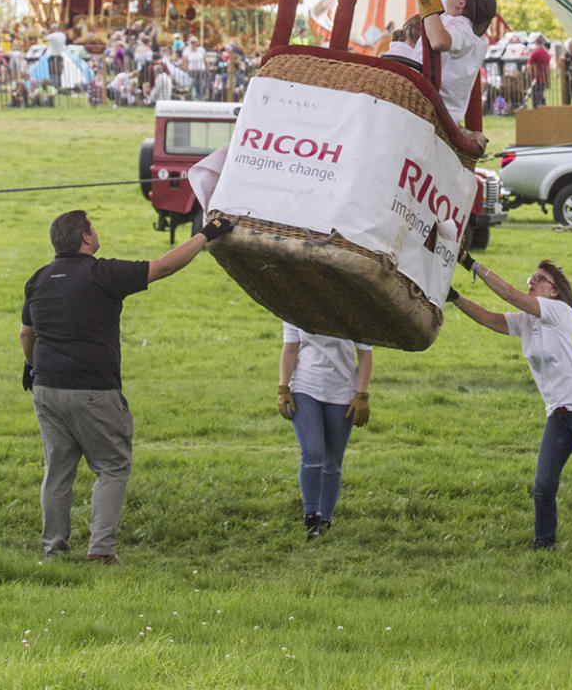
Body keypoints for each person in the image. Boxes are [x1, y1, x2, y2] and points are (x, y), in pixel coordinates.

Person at [20, 208, 233, 563]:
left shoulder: (39, 279)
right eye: (93, 227)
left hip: (46, 387)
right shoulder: (103, 273)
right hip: (94, 389)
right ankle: (101, 550)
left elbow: (28, 333)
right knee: (112, 467)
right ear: (86, 237)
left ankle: (53, 549)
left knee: (57, 471)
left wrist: (29, 367)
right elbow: (164, 266)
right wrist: (205, 235)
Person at [449, 254, 572, 557]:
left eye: (539, 279)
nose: (531, 281)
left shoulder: (558, 312)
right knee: (543, 486)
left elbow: (509, 294)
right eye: (532, 277)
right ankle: (544, 544)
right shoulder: (528, 321)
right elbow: (489, 318)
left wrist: (471, 265)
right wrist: (455, 297)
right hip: (559, 413)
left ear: (554, 291)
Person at [392, 0, 496, 130]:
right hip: (420, 98)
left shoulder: (464, 30)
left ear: (461, 4)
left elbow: (439, 41)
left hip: (428, 106)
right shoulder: (449, 16)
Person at [277, 325, 373, 540]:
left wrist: (362, 394)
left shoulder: (356, 310)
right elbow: (290, 348)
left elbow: (365, 354)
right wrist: (283, 388)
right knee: (312, 451)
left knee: (333, 460)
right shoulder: (294, 307)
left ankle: (326, 518)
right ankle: (311, 517)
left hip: (342, 391)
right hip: (305, 387)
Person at [527, 34, 551, 108]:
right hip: (545, 77)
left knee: (536, 94)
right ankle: (543, 106)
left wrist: (528, 75)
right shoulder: (546, 53)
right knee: (541, 92)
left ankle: (537, 108)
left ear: (536, 43)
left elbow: (529, 65)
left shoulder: (535, 53)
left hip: (537, 77)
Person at [45, 23, 67, 89]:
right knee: (59, 72)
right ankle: (59, 86)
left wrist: (47, 32)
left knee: (52, 72)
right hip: (60, 55)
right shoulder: (63, 35)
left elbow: (44, 39)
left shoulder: (52, 36)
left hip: (53, 56)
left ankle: (53, 86)